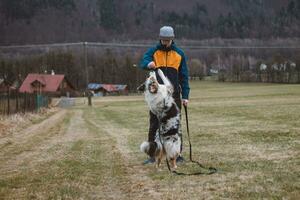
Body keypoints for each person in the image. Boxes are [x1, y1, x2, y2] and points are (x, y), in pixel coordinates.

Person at [139, 26, 190, 164]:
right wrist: (148, 64)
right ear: (160, 38)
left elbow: (184, 77)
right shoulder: (153, 52)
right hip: (157, 98)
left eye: (168, 40)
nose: (165, 42)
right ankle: (152, 155)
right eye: (163, 40)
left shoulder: (179, 54)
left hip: (174, 97)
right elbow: (142, 62)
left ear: (172, 39)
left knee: (174, 125)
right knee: (154, 124)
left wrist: (185, 96)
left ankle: (176, 154)